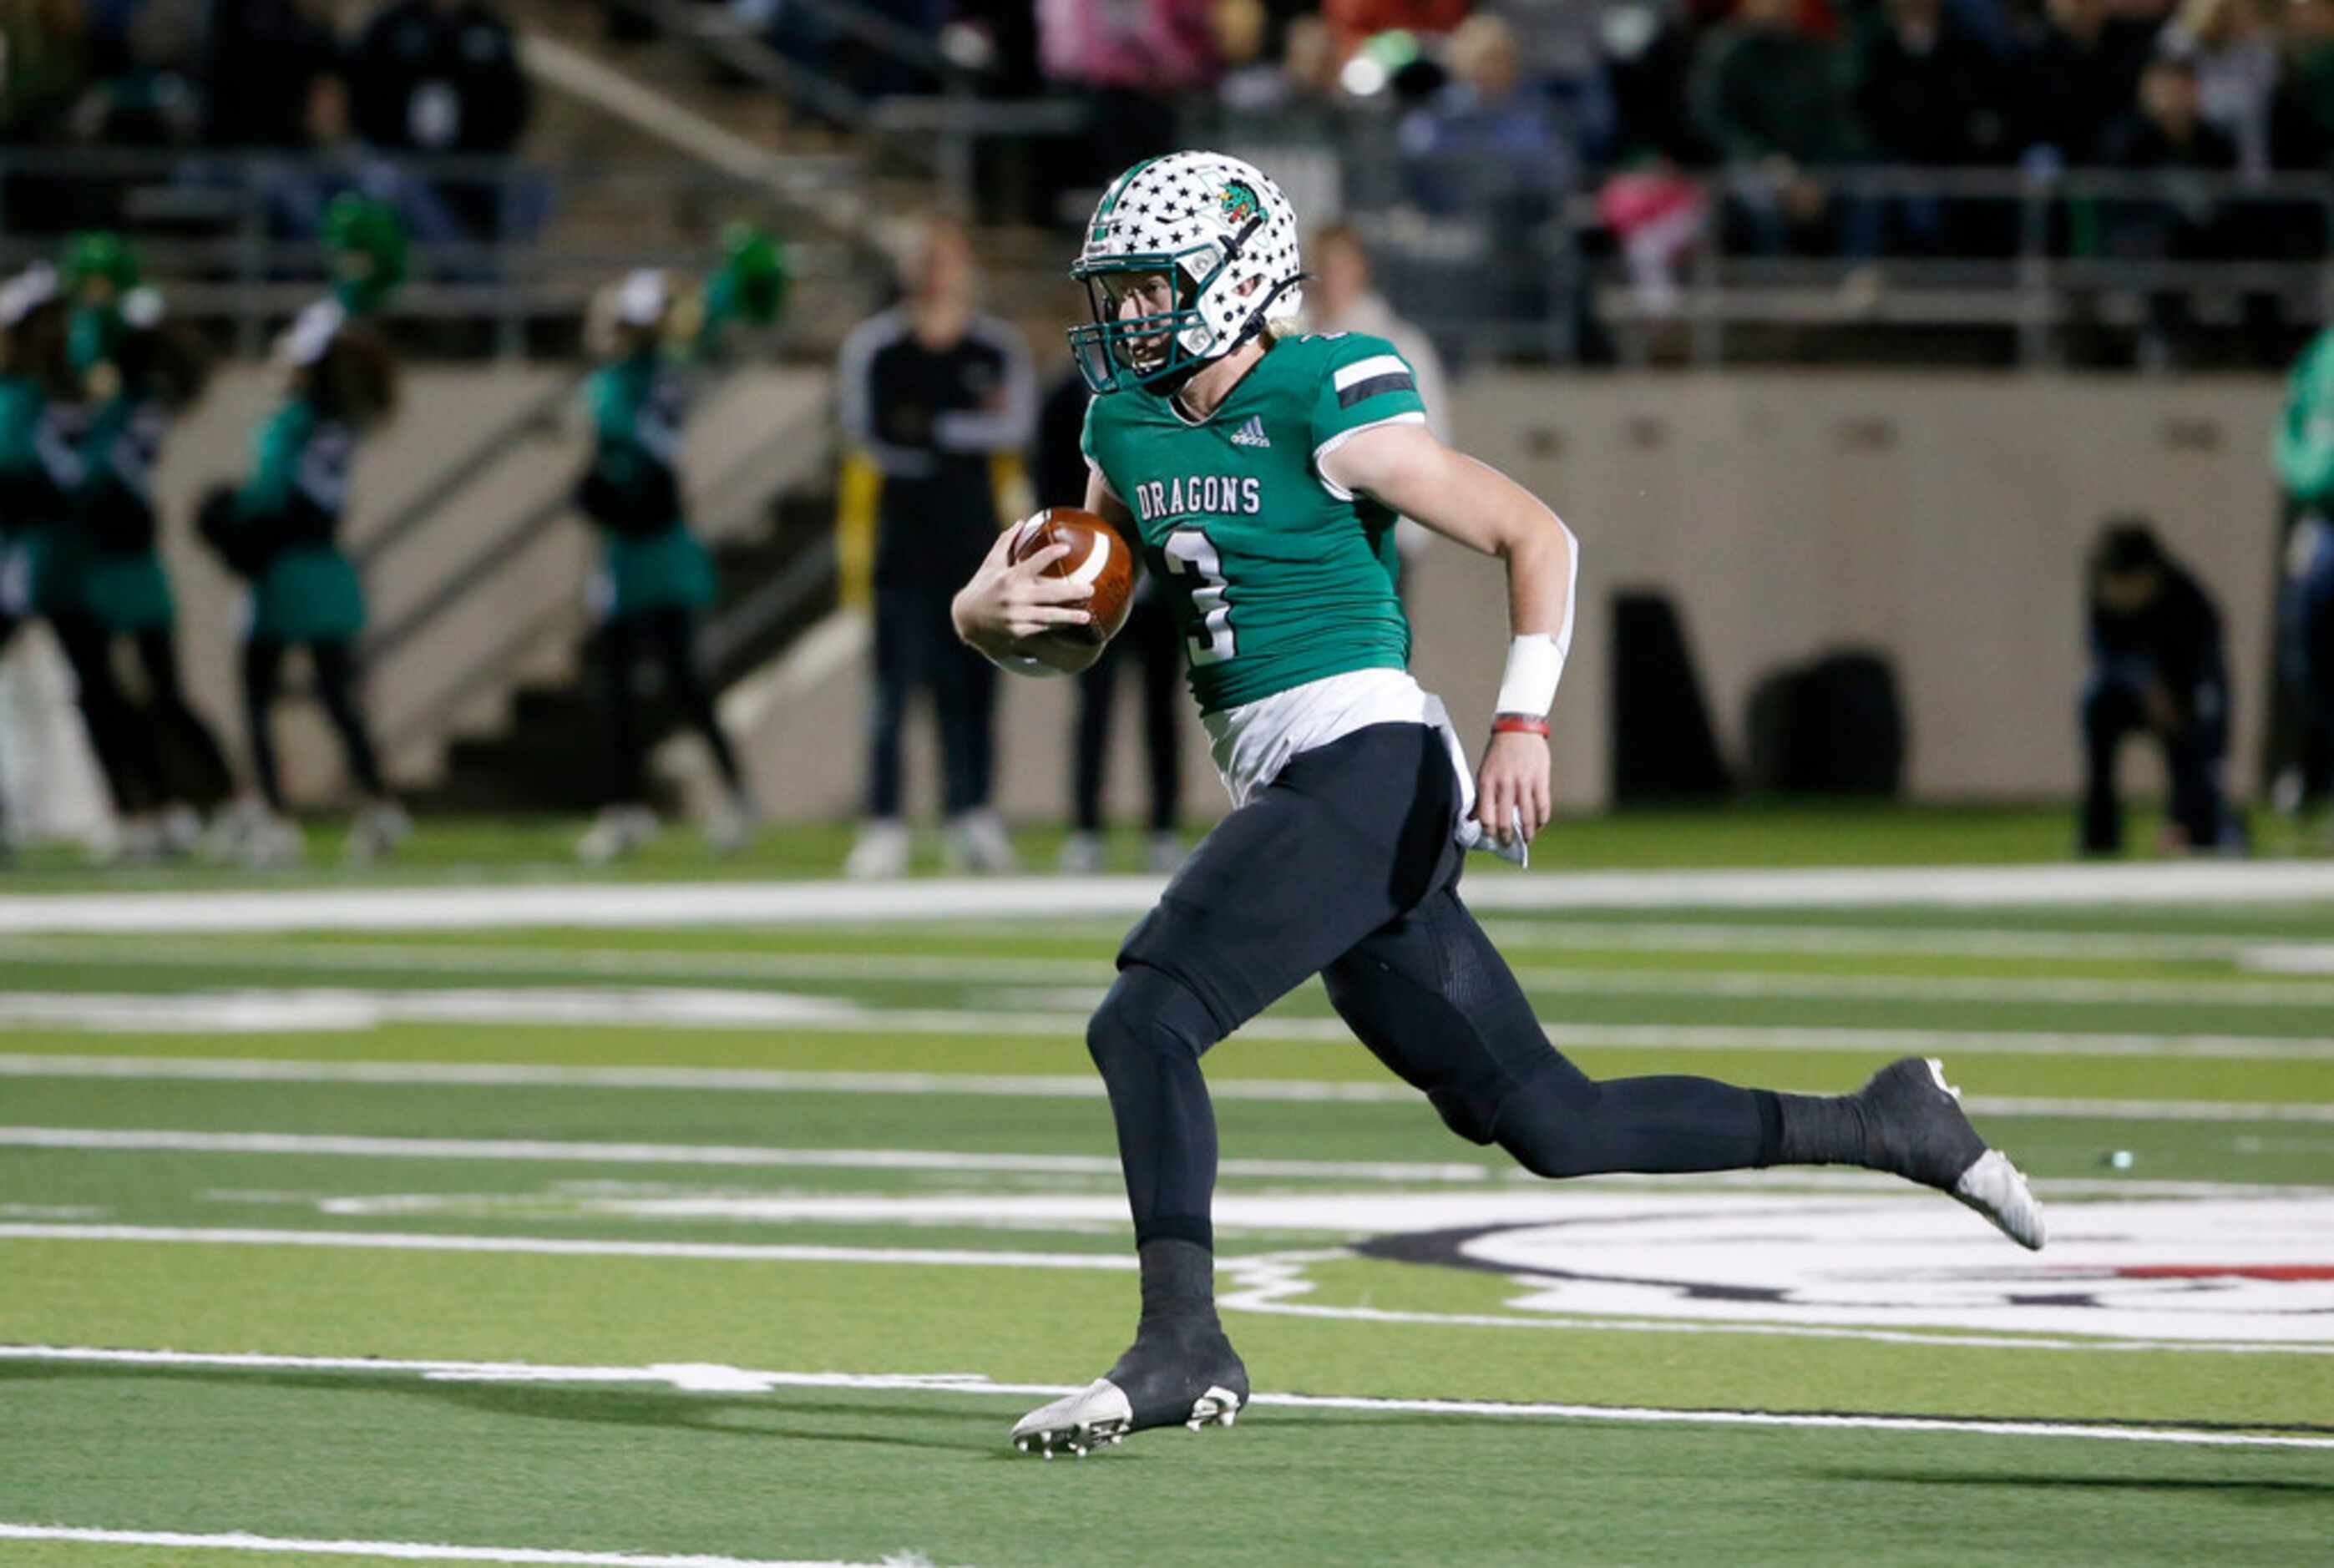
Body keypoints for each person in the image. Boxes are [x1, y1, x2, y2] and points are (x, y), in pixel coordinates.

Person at [949, 151, 2046, 1459]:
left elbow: (1538, 535)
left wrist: (1520, 714)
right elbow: (1086, 608)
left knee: (1144, 1019)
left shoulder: (1327, 393)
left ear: (1236, 279)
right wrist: (980, 609)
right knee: (1550, 1120)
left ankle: (1181, 1338)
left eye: (1148, 290)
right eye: (1115, 292)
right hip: (1320, 791)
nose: (1125, 318)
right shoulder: (1119, 427)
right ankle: (1884, 1121)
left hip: (1365, 763)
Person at [571, 227, 787, 865]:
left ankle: (723, 796)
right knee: (621, 684)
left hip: (655, 540)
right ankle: (626, 806)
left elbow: (622, 450)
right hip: (633, 547)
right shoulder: (644, 373)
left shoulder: (640, 378)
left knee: (681, 682)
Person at [837, 218, 1035, 878]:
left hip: (973, 538)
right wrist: (947, 433)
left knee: (974, 684)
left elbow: (1012, 425)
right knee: (891, 688)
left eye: (946, 261)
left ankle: (972, 812)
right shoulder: (879, 347)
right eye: (925, 261)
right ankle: (884, 821)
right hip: (903, 535)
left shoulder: (993, 346)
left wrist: (937, 428)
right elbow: (867, 432)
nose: (935, 275)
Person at [198, 304, 405, 866]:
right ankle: (379, 803)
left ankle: (272, 816)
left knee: (257, 698)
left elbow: (266, 498)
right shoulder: (342, 422)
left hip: (284, 574)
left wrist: (230, 518)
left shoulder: (290, 423)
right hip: (330, 571)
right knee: (339, 700)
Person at [52, 234, 233, 854]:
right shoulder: (102, 370)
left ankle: (222, 802)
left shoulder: (133, 373)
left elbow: (97, 455)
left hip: (119, 546)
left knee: (157, 690)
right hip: (96, 547)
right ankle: (152, 806)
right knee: (109, 691)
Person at [1040, 363, 1185, 876]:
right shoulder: (1064, 395)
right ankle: (1085, 828)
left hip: (1161, 578)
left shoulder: (1174, 387)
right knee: (1093, 710)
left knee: (1161, 710)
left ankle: (1164, 826)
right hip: (1090, 579)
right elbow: (1048, 482)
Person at [2078, 518, 2245, 854]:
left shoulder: (2188, 601)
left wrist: (2173, 698)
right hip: (2130, 695)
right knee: (2093, 701)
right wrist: (2145, 684)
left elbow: (2210, 672)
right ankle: (2099, 836)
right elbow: (2104, 654)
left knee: (2201, 730)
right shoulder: (2101, 593)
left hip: (2186, 698)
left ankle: (2198, 823)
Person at [2269, 329, 2334, 819]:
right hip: (2323, 518)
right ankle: (2314, 763)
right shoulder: (2319, 358)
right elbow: (2290, 432)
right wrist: (2305, 478)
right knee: (2304, 645)